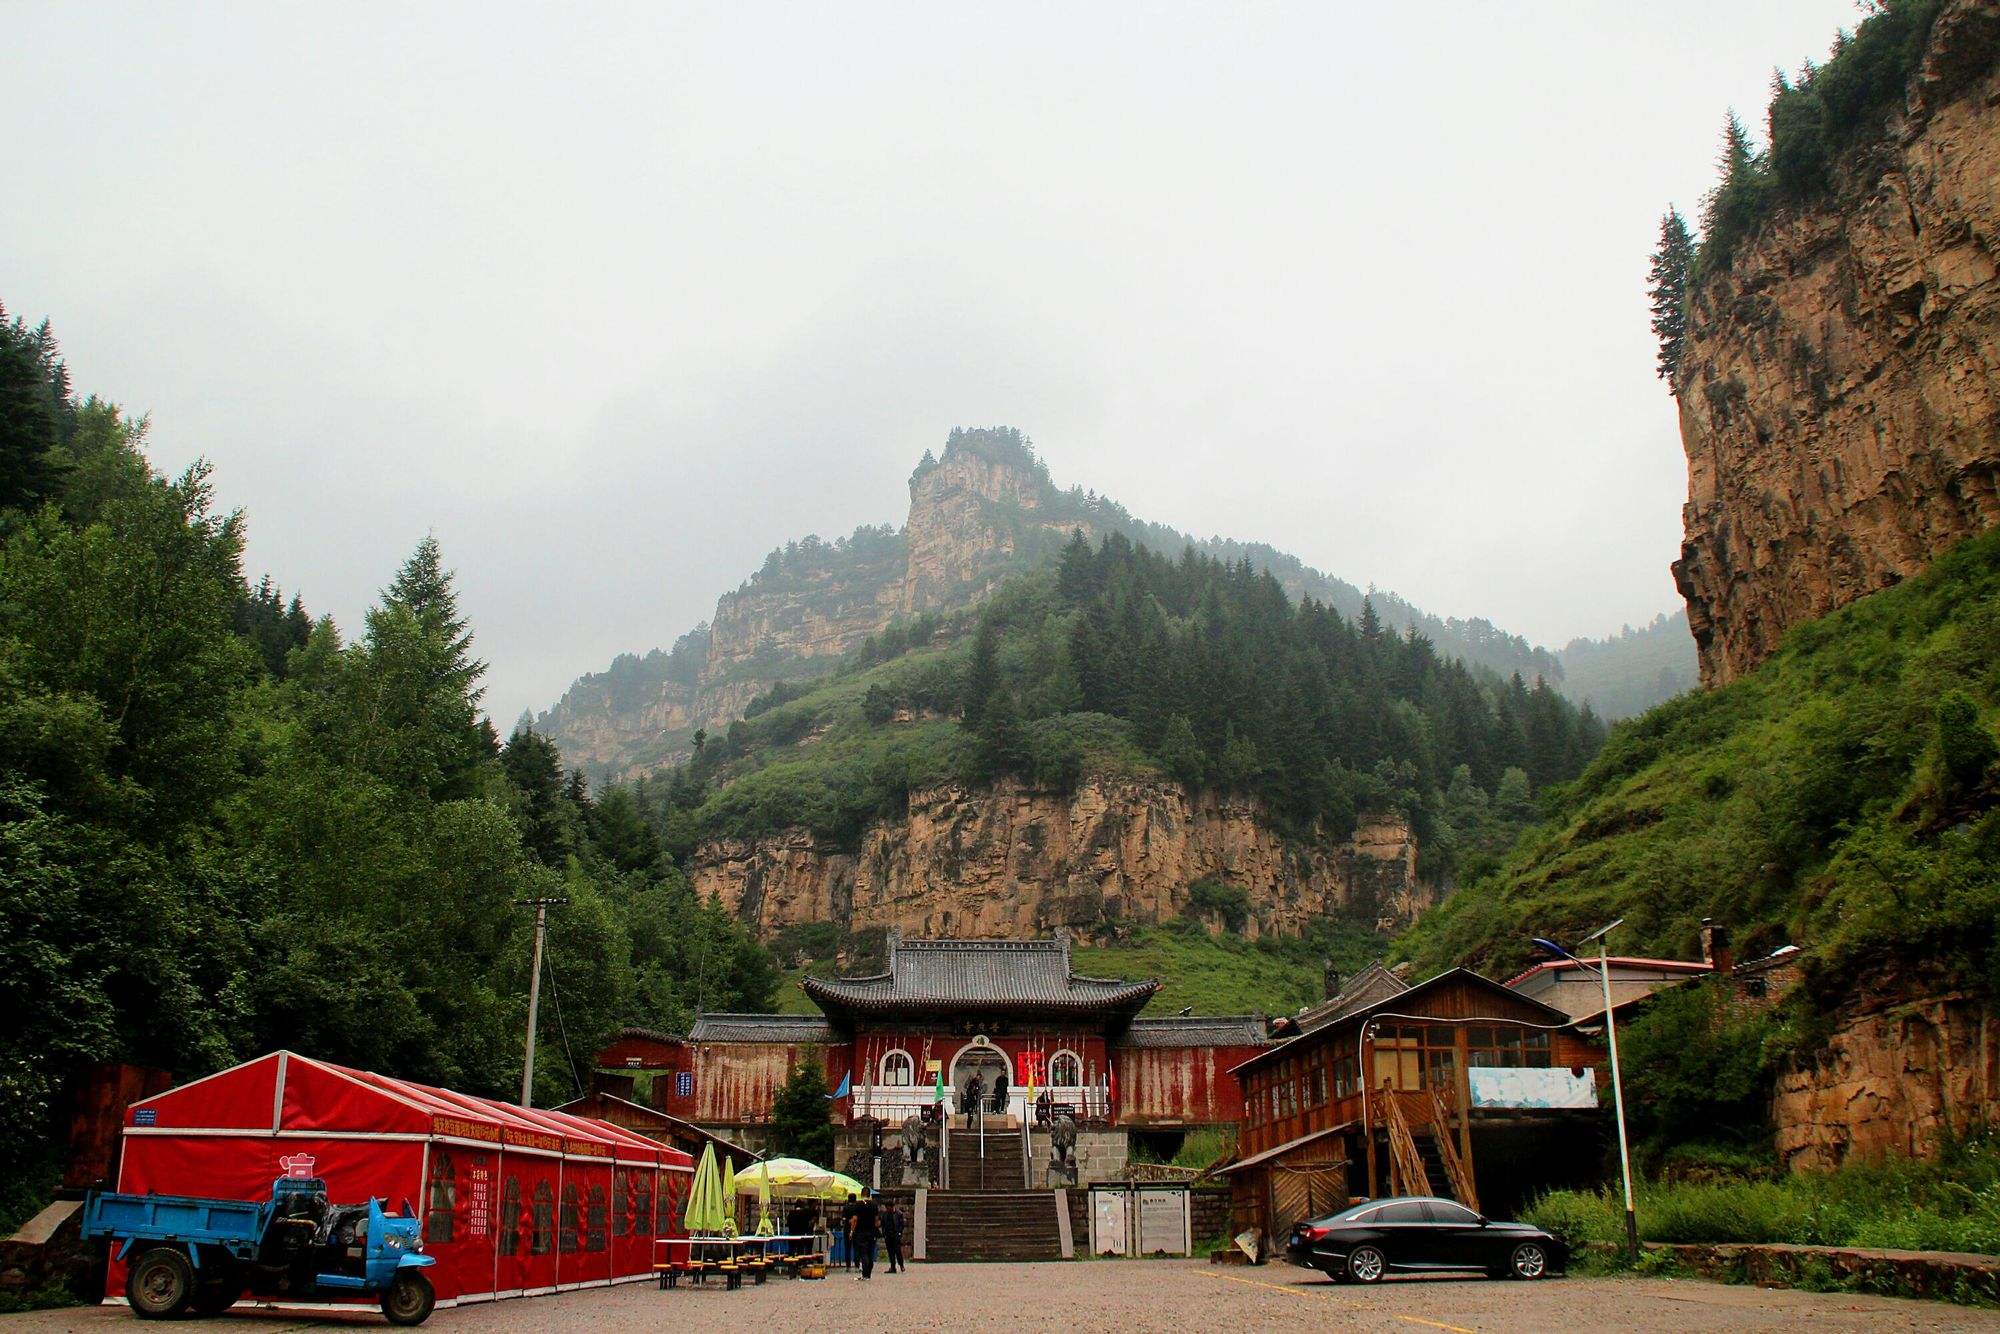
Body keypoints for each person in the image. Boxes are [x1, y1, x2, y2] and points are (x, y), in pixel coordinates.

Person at [842, 1190, 881, 1280]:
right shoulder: (874, 1205)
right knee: (870, 1252)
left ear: (862, 1194)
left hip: (861, 1232)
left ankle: (865, 1274)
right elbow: (876, 1220)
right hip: (871, 1232)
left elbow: (855, 1219)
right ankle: (868, 1273)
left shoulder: (858, 1205)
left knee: (863, 1253)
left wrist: (851, 1231)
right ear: (869, 1194)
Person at [881, 1199, 905, 1274]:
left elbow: (901, 1225)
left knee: (898, 1251)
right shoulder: (885, 1214)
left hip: (895, 1235)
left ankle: (901, 1264)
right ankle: (893, 1266)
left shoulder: (898, 1214)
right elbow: (883, 1224)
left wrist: (899, 1233)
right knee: (890, 1252)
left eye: (888, 1208)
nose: (888, 1209)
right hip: (888, 1235)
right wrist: (884, 1234)